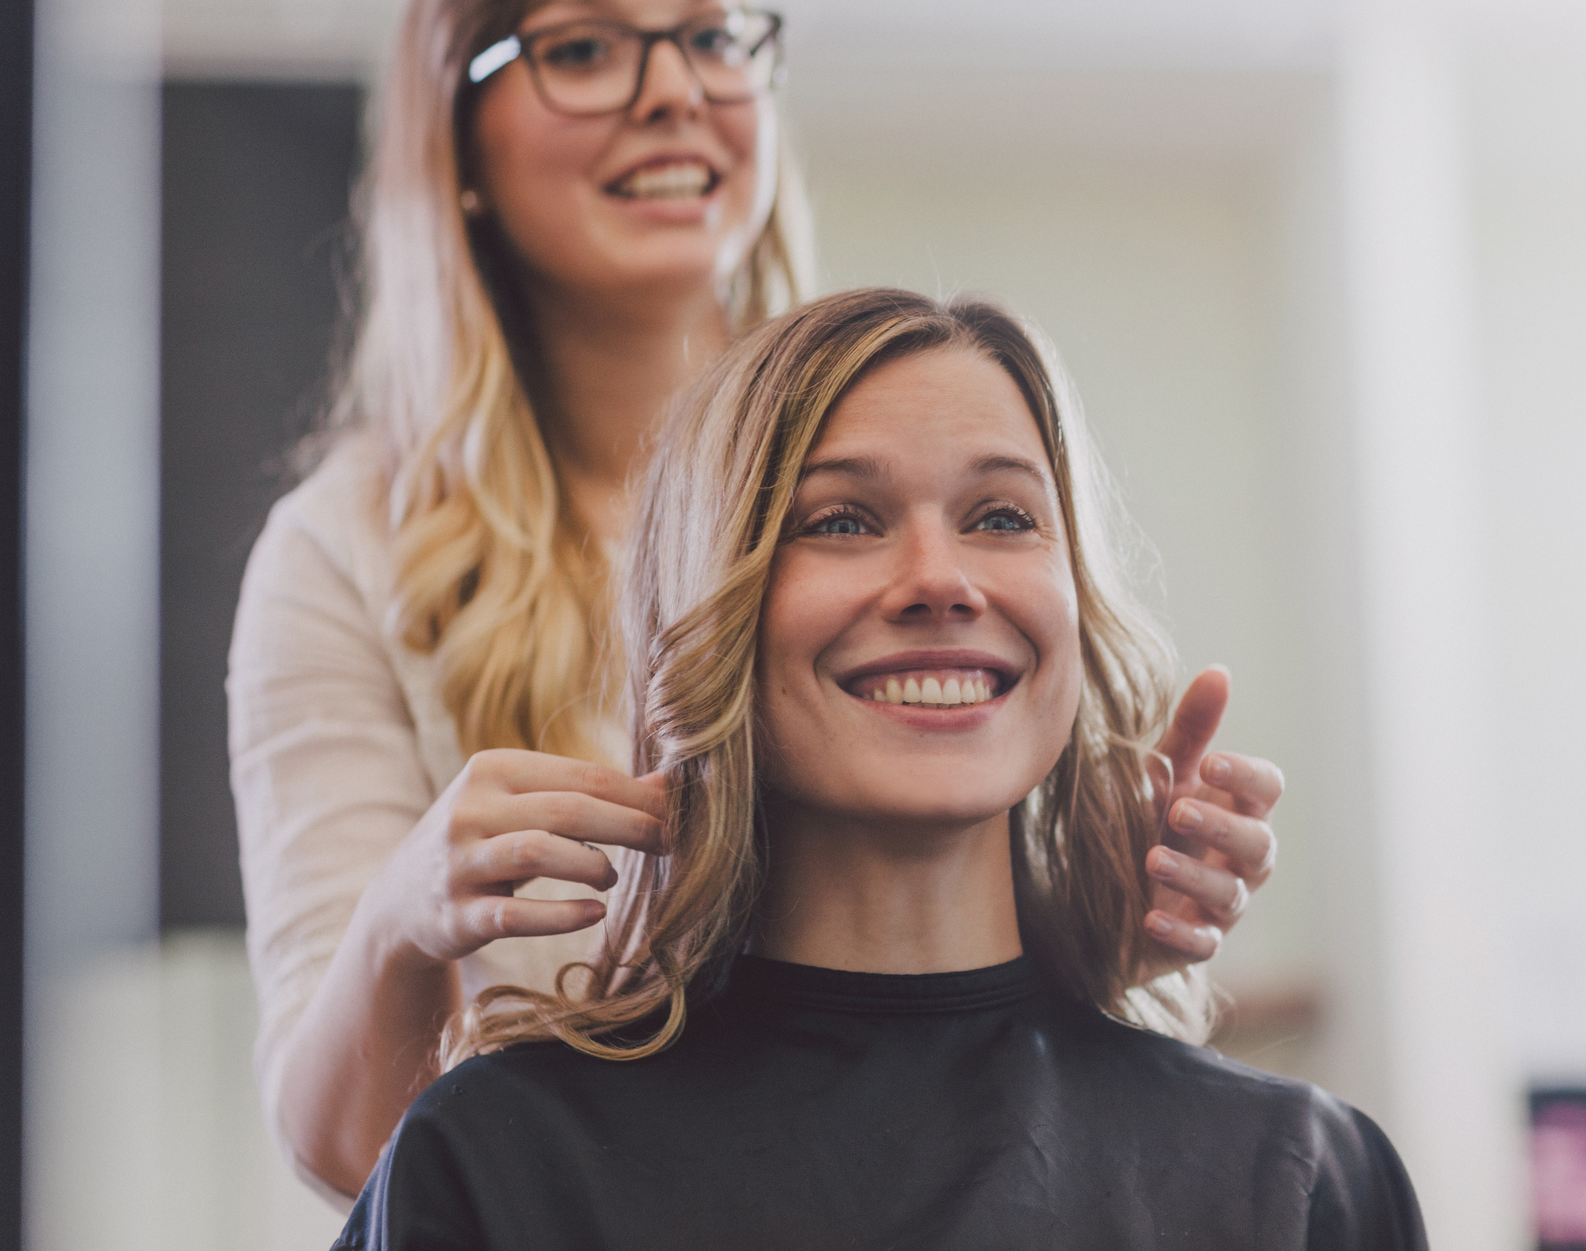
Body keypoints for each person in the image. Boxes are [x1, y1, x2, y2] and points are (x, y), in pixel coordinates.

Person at [230, 0, 1287, 1204]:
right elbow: (351, 1155)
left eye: (713, 36)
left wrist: (1093, 913)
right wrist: (400, 922)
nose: (673, 90)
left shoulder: (923, 478)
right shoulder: (346, 553)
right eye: (585, 49)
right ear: (460, 141)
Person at [331, 290, 1424, 1250]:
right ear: (710, 613)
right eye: (842, 520)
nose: (939, 580)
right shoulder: (502, 1167)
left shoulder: (1300, 1181)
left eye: (1003, 516)